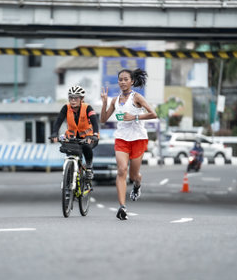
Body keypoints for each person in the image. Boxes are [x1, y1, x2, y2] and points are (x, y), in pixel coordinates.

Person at [100, 68, 158, 220]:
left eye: (126, 79)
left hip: (138, 139)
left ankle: (137, 184)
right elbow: (103, 119)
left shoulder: (137, 97)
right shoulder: (115, 100)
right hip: (121, 139)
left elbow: (153, 114)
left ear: (132, 81)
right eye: (120, 79)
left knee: (133, 175)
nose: (123, 82)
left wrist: (135, 116)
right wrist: (105, 103)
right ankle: (122, 207)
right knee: (121, 170)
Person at [50, 85, 100, 180]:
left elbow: (94, 122)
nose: (73, 100)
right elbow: (58, 121)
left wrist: (95, 134)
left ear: (82, 98)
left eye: (76, 98)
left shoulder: (87, 108)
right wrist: (54, 133)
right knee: (69, 151)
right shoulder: (66, 108)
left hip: (88, 137)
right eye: (71, 98)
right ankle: (69, 176)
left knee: (86, 146)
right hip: (72, 138)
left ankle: (89, 167)